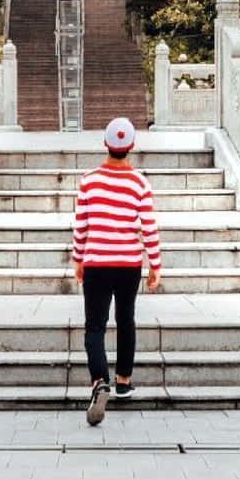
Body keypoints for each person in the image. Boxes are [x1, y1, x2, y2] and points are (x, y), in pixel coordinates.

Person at [72, 116, 162, 426]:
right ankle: (123, 381)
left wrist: (77, 259)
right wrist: (155, 266)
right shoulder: (139, 183)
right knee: (126, 320)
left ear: (106, 144)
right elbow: (148, 227)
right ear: (132, 146)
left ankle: (100, 381)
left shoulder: (89, 180)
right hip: (128, 263)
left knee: (94, 327)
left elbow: (81, 225)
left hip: (97, 261)